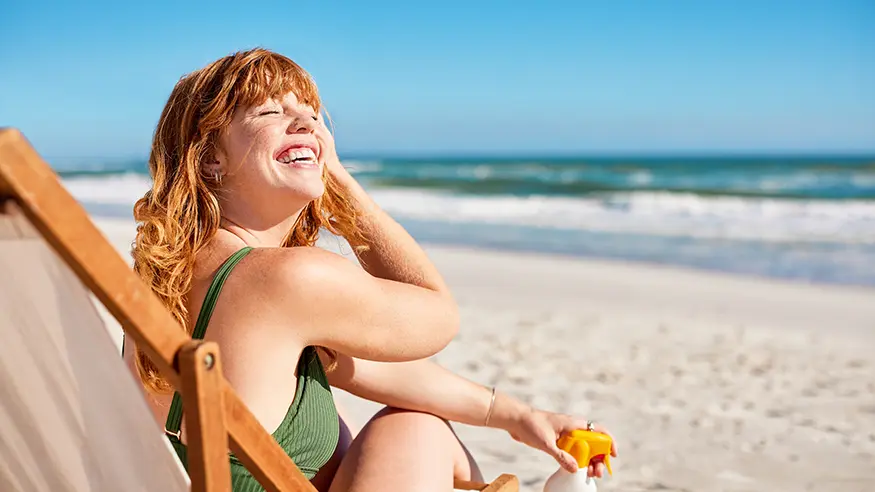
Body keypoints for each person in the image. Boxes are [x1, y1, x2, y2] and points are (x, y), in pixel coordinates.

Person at [122, 47, 617, 492]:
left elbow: (363, 367)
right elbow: (438, 317)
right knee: (416, 429)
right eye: (273, 111)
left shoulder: (163, 285)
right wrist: (338, 181)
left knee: (411, 422)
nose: (308, 125)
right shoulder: (287, 277)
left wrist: (516, 416)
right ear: (208, 158)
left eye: (312, 115)